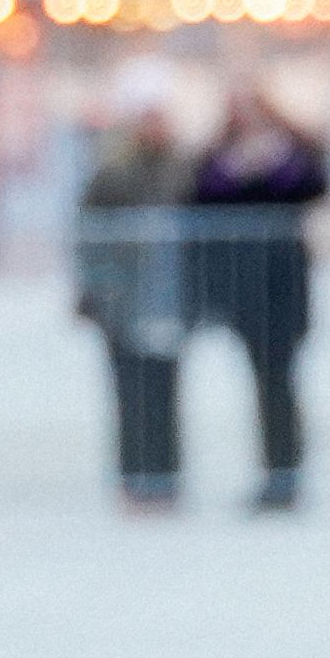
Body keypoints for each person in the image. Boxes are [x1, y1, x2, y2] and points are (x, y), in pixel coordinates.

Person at [188, 80, 330, 513]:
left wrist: (275, 165)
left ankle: (286, 468)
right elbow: (200, 196)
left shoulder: (293, 151)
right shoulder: (216, 158)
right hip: (243, 286)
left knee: (281, 379)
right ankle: (276, 467)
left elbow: (315, 185)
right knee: (264, 380)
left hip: (285, 283)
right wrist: (236, 171)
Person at [79, 77, 199, 511]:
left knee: (166, 387)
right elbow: (90, 234)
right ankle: (134, 477)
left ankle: (167, 476)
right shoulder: (111, 170)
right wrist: (94, 292)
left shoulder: (186, 166)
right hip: (121, 297)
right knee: (129, 391)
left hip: (169, 293)